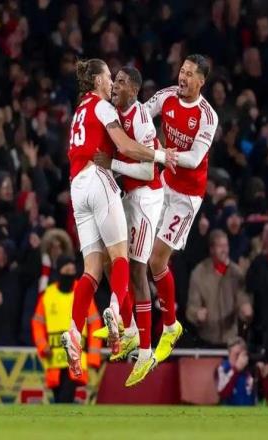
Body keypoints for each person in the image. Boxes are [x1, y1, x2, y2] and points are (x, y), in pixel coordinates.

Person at [61, 58, 177, 378]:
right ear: (98, 81)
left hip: (78, 188)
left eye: (118, 79)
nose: (112, 82)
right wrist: (161, 154)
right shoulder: (103, 107)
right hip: (99, 180)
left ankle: (74, 331)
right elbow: (125, 145)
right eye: (110, 77)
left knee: (94, 269)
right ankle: (116, 313)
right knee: (120, 257)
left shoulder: (80, 111)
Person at [145, 54, 219, 363]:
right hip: (164, 182)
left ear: (201, 81)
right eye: (182, 71)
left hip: (186, 197)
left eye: (190, 74)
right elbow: (141, 115)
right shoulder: (166, 96)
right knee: (135, 249)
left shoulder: (207, 116)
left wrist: (159, 153)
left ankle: (170, 326)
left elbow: (193, 158)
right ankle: (128, 322)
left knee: (156, 259)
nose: (183, 77)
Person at [94, 66, 164, 386]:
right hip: (128, 194)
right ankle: (130, 327)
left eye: (121, 83)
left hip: (147, 197)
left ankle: (146, 352)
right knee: (111, 259)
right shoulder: (113, 113)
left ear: (134, 91)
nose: (115, 86)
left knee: (137, 269)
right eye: (115, 81)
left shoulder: (141, 120)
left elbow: (149, 172)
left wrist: (112, 165)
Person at [32, 256, 101, 403]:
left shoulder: (82, 292)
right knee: (59, 400)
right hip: (54, 359)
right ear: (59, 272)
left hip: (75, 358)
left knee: (65, 398)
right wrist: (43, 346)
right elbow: (37, 324)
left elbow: (95, 323)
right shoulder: (48, 295)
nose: (70, 274)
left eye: (72, 271)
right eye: (66, 270)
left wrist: (93, 357)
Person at [186, 229, 252, 346]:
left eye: (226, 246)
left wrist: (245, 310)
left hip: (231, 340)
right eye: (220, 246)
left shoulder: (236, 273)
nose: (224, 250)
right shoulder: (199, 273)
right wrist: (197, 314)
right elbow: (191, 308)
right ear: (212, 249)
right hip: (206, 340)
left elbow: (242, 299)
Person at [215, 337, 268, 406]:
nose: (240, 359)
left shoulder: (253, 369)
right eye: (236, 355)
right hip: (229, 411)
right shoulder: (223, 368)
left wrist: (266, 377)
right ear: (229, 355)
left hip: (250, 411)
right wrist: (236, 369)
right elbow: (222, 393)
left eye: (242, 355)